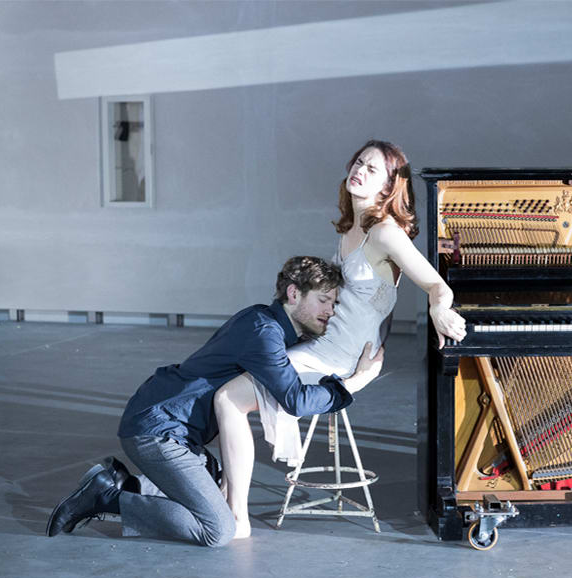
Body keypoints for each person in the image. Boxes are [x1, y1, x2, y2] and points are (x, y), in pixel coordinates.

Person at [215, 140, 467, 539]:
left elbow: (436, 285)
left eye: (373, 169)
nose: (360, 170)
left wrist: (439, 309)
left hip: (342, 358)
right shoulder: (352, 229)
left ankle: (236, 518)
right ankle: (222, 501)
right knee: (230, 378)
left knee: (228, 398)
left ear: (389, 188)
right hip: (324, 347)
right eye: (358, 162)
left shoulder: (385, 233)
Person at [46, 256, 384, 547]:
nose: (331, 311)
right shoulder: (264, 334)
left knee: (218, 477)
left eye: (334, 304)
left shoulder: (262, 320)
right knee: (218, 530)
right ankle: (111, 498)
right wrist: (353, 383)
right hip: (157, 431)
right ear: (294, 294)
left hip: (173, 428)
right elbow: (294, 399)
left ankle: (122, 483)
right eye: (324, 301)